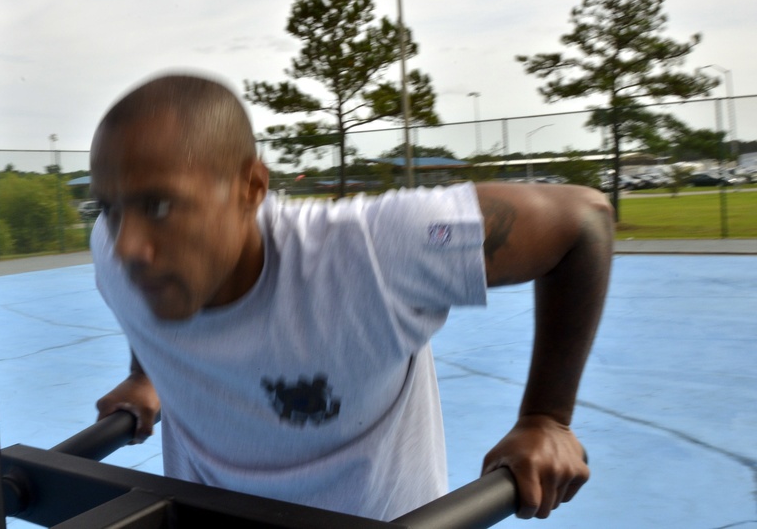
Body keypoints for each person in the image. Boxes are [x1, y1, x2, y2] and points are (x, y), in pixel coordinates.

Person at [90, 73, 612, 522]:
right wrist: (145, 375)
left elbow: (583, 222)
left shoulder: (369, 253)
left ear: (251, 187)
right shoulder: (121, 252)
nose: (129, 246)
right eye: (111, 210)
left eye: (159, 206)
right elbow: (136, 304)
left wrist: (547, 418)